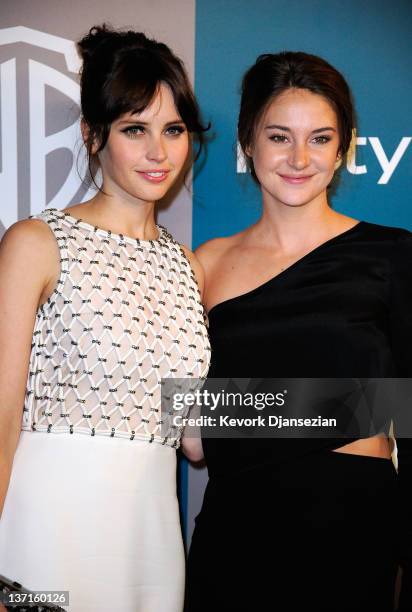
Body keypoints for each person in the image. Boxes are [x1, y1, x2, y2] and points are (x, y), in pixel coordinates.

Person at [183, 51, 412, 611]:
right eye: (279, 136)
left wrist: (236, 410)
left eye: (320, 138)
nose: (299, 158)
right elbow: (190, 431)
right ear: (247, 143)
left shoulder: (394, 254)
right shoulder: (202, 264)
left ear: (342, 150)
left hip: (350, 528)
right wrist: (360, 406)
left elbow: (409, 413)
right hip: (236, 530)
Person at [0, 24, 210, 612]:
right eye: (134, 130)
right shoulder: (37, 242)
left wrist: (351, 408)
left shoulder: (185, 267)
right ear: (95, 136)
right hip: (45, 530)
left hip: (151, 536)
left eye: (173, 130)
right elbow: (0, 422)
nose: (158, 152)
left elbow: (192, 437)